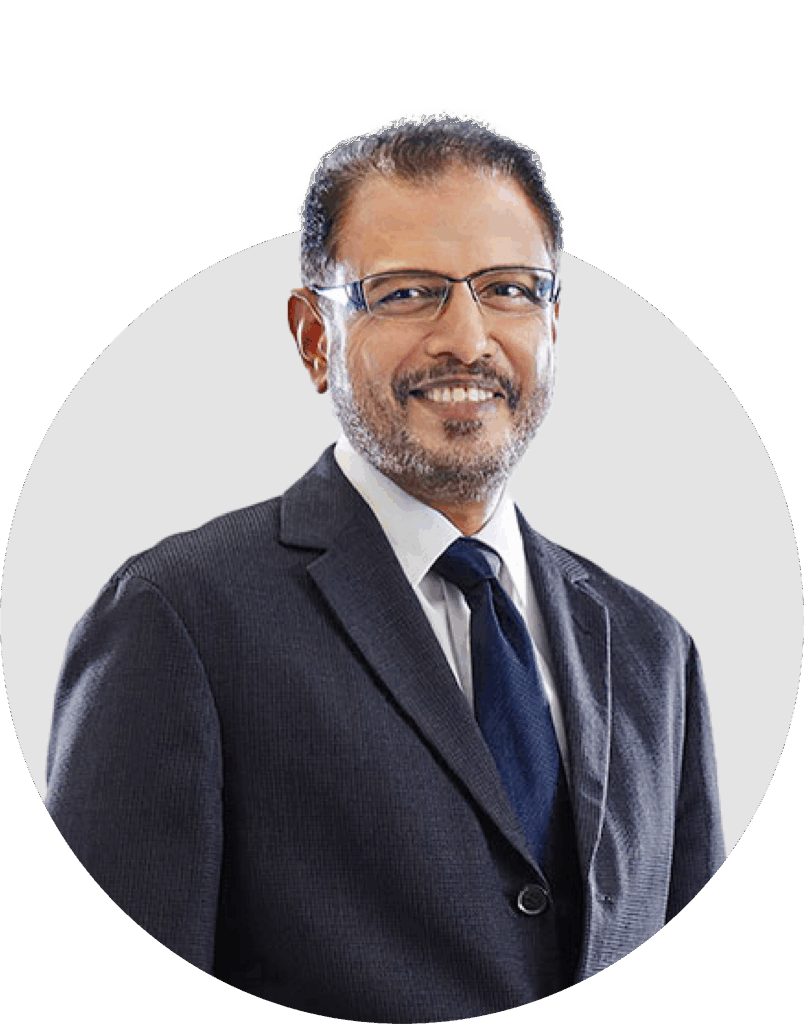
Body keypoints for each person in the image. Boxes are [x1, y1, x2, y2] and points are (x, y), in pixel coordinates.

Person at [45, 112, 725, 1023]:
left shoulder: (654, 650)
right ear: (313, 336)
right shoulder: (178, 619)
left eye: (510, 289)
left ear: (554, 320)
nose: (468, 339)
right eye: (407, 293)